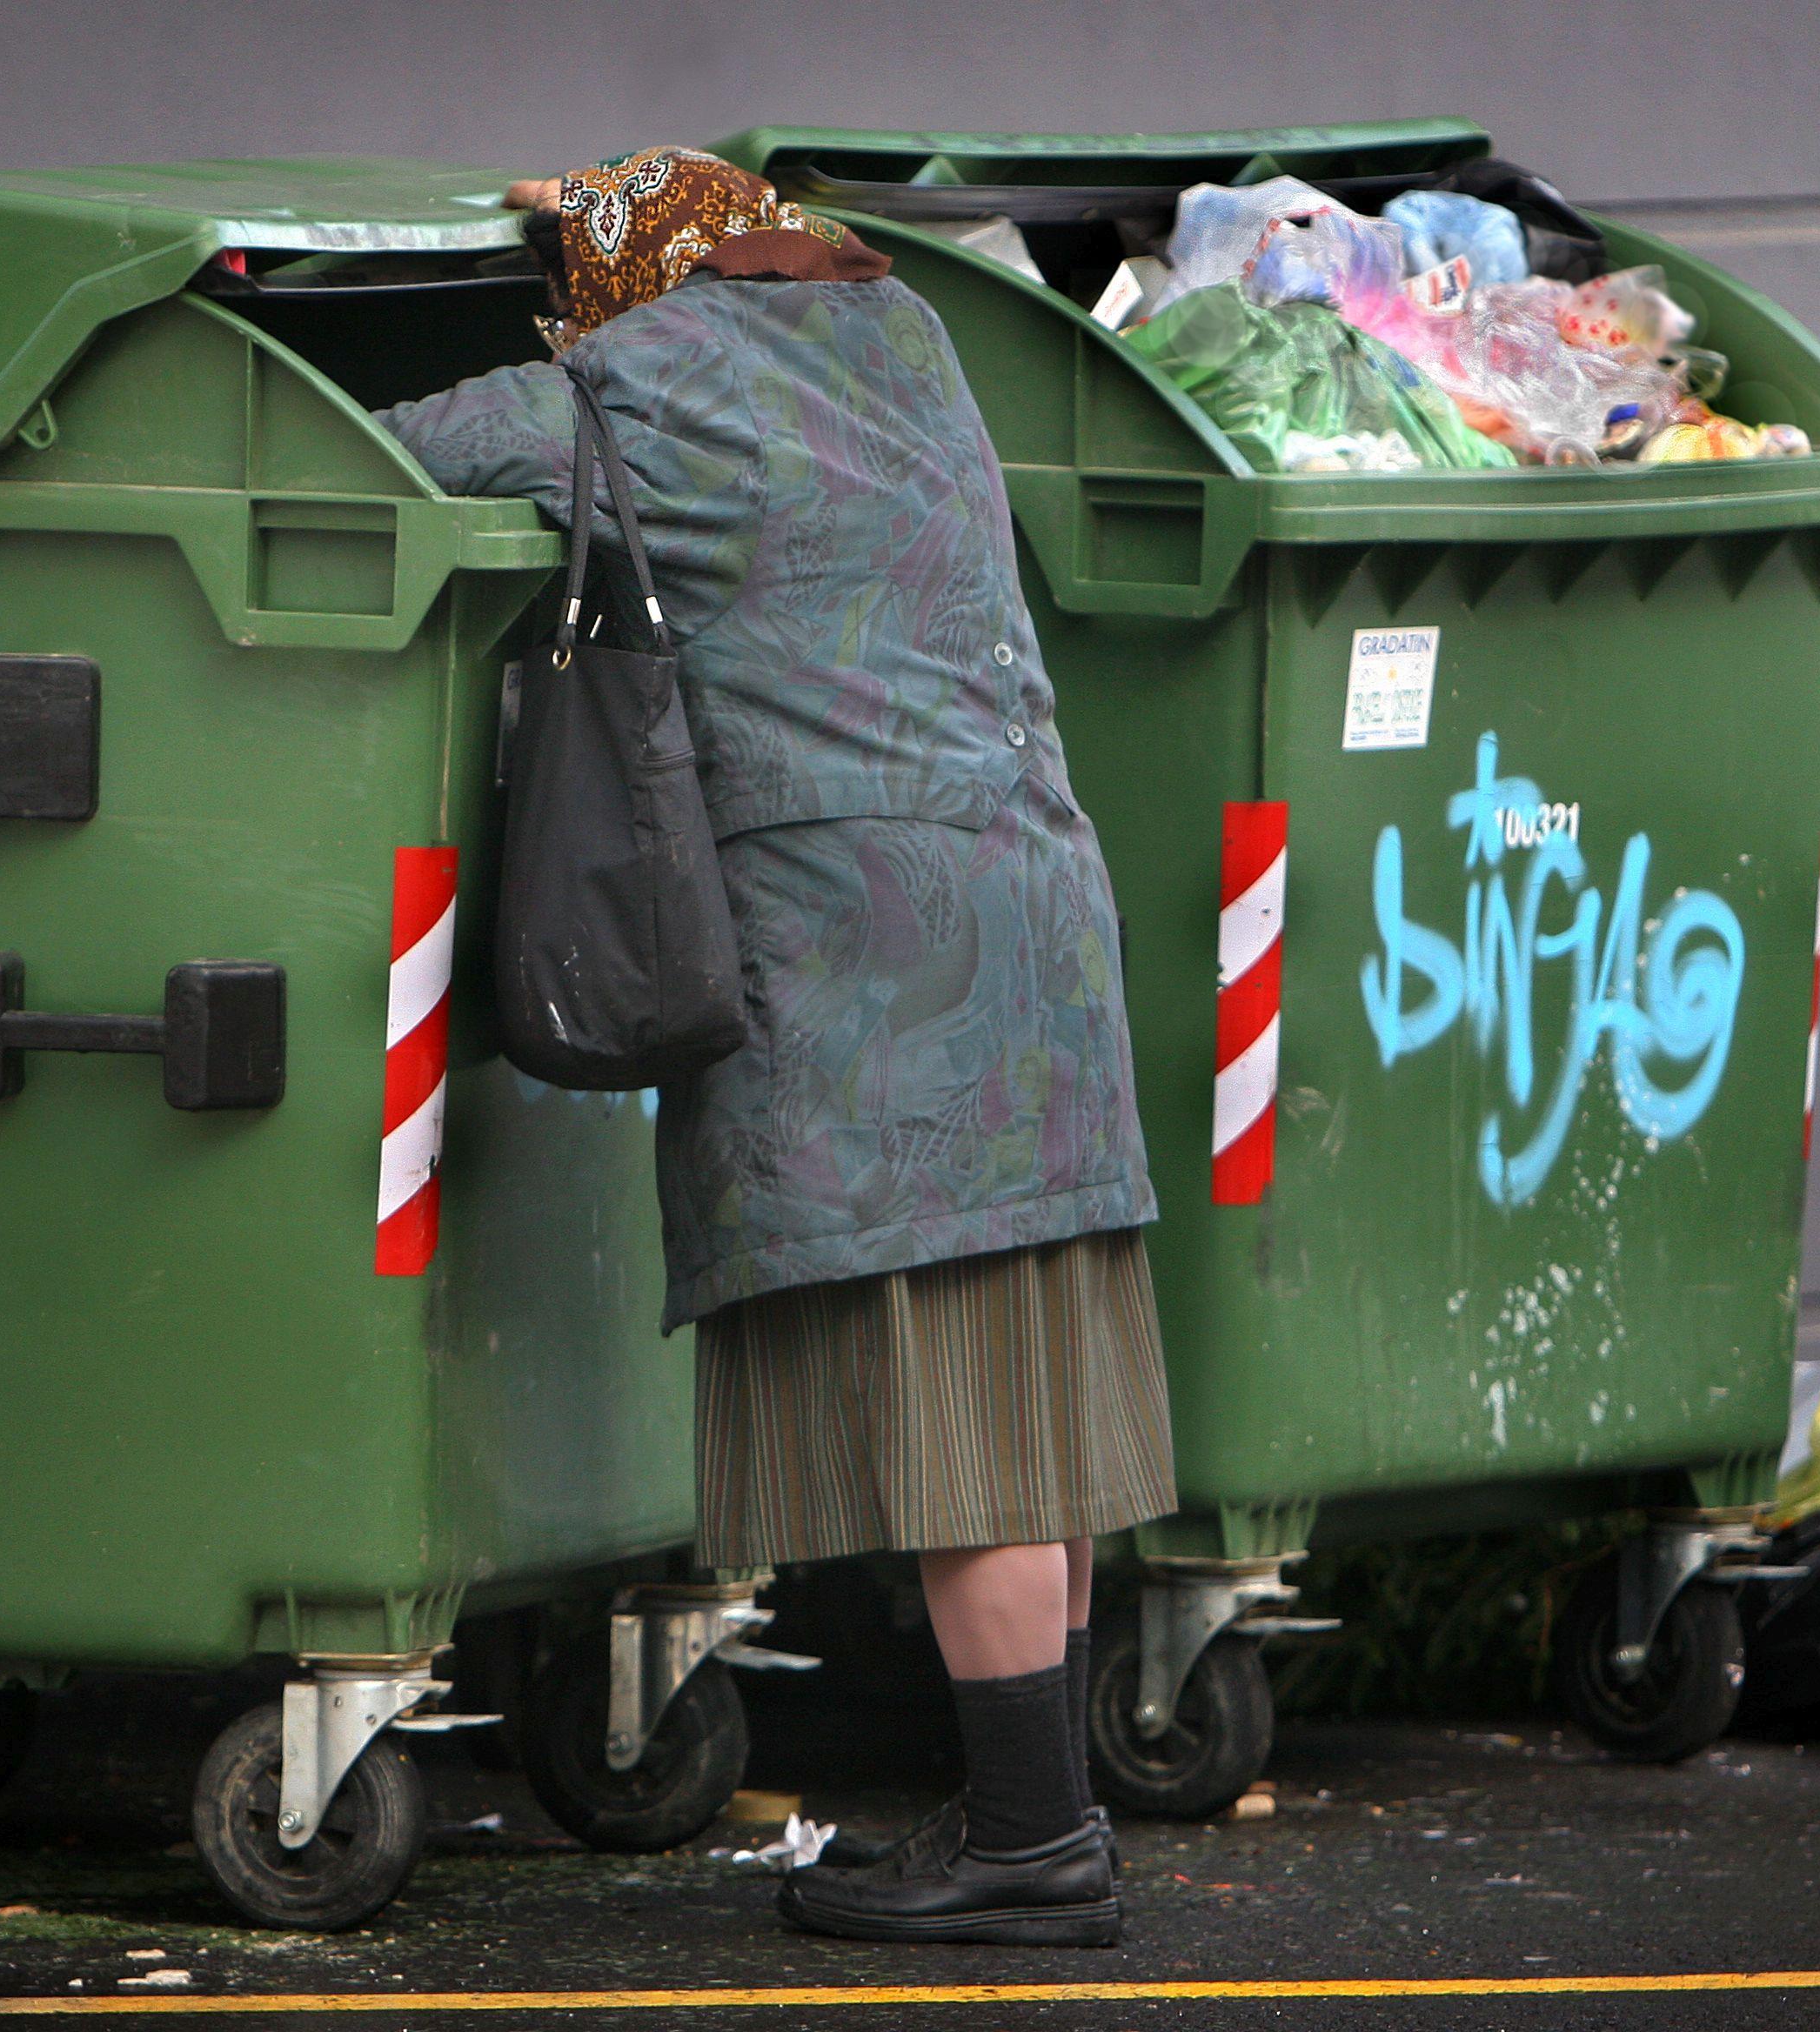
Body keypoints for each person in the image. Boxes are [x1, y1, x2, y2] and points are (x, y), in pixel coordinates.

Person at [375, 148, 1174, 1948]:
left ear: (624, 287)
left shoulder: (631, 383)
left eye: (578, 282)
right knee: (1021, 1390)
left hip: (875, 951)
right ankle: (1031, 1817)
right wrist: (626, 208)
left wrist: (560, 292)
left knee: (956, 1416)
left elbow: (395, 459)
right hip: (1033, 906)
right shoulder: (905, 340)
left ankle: (1031, 1847)